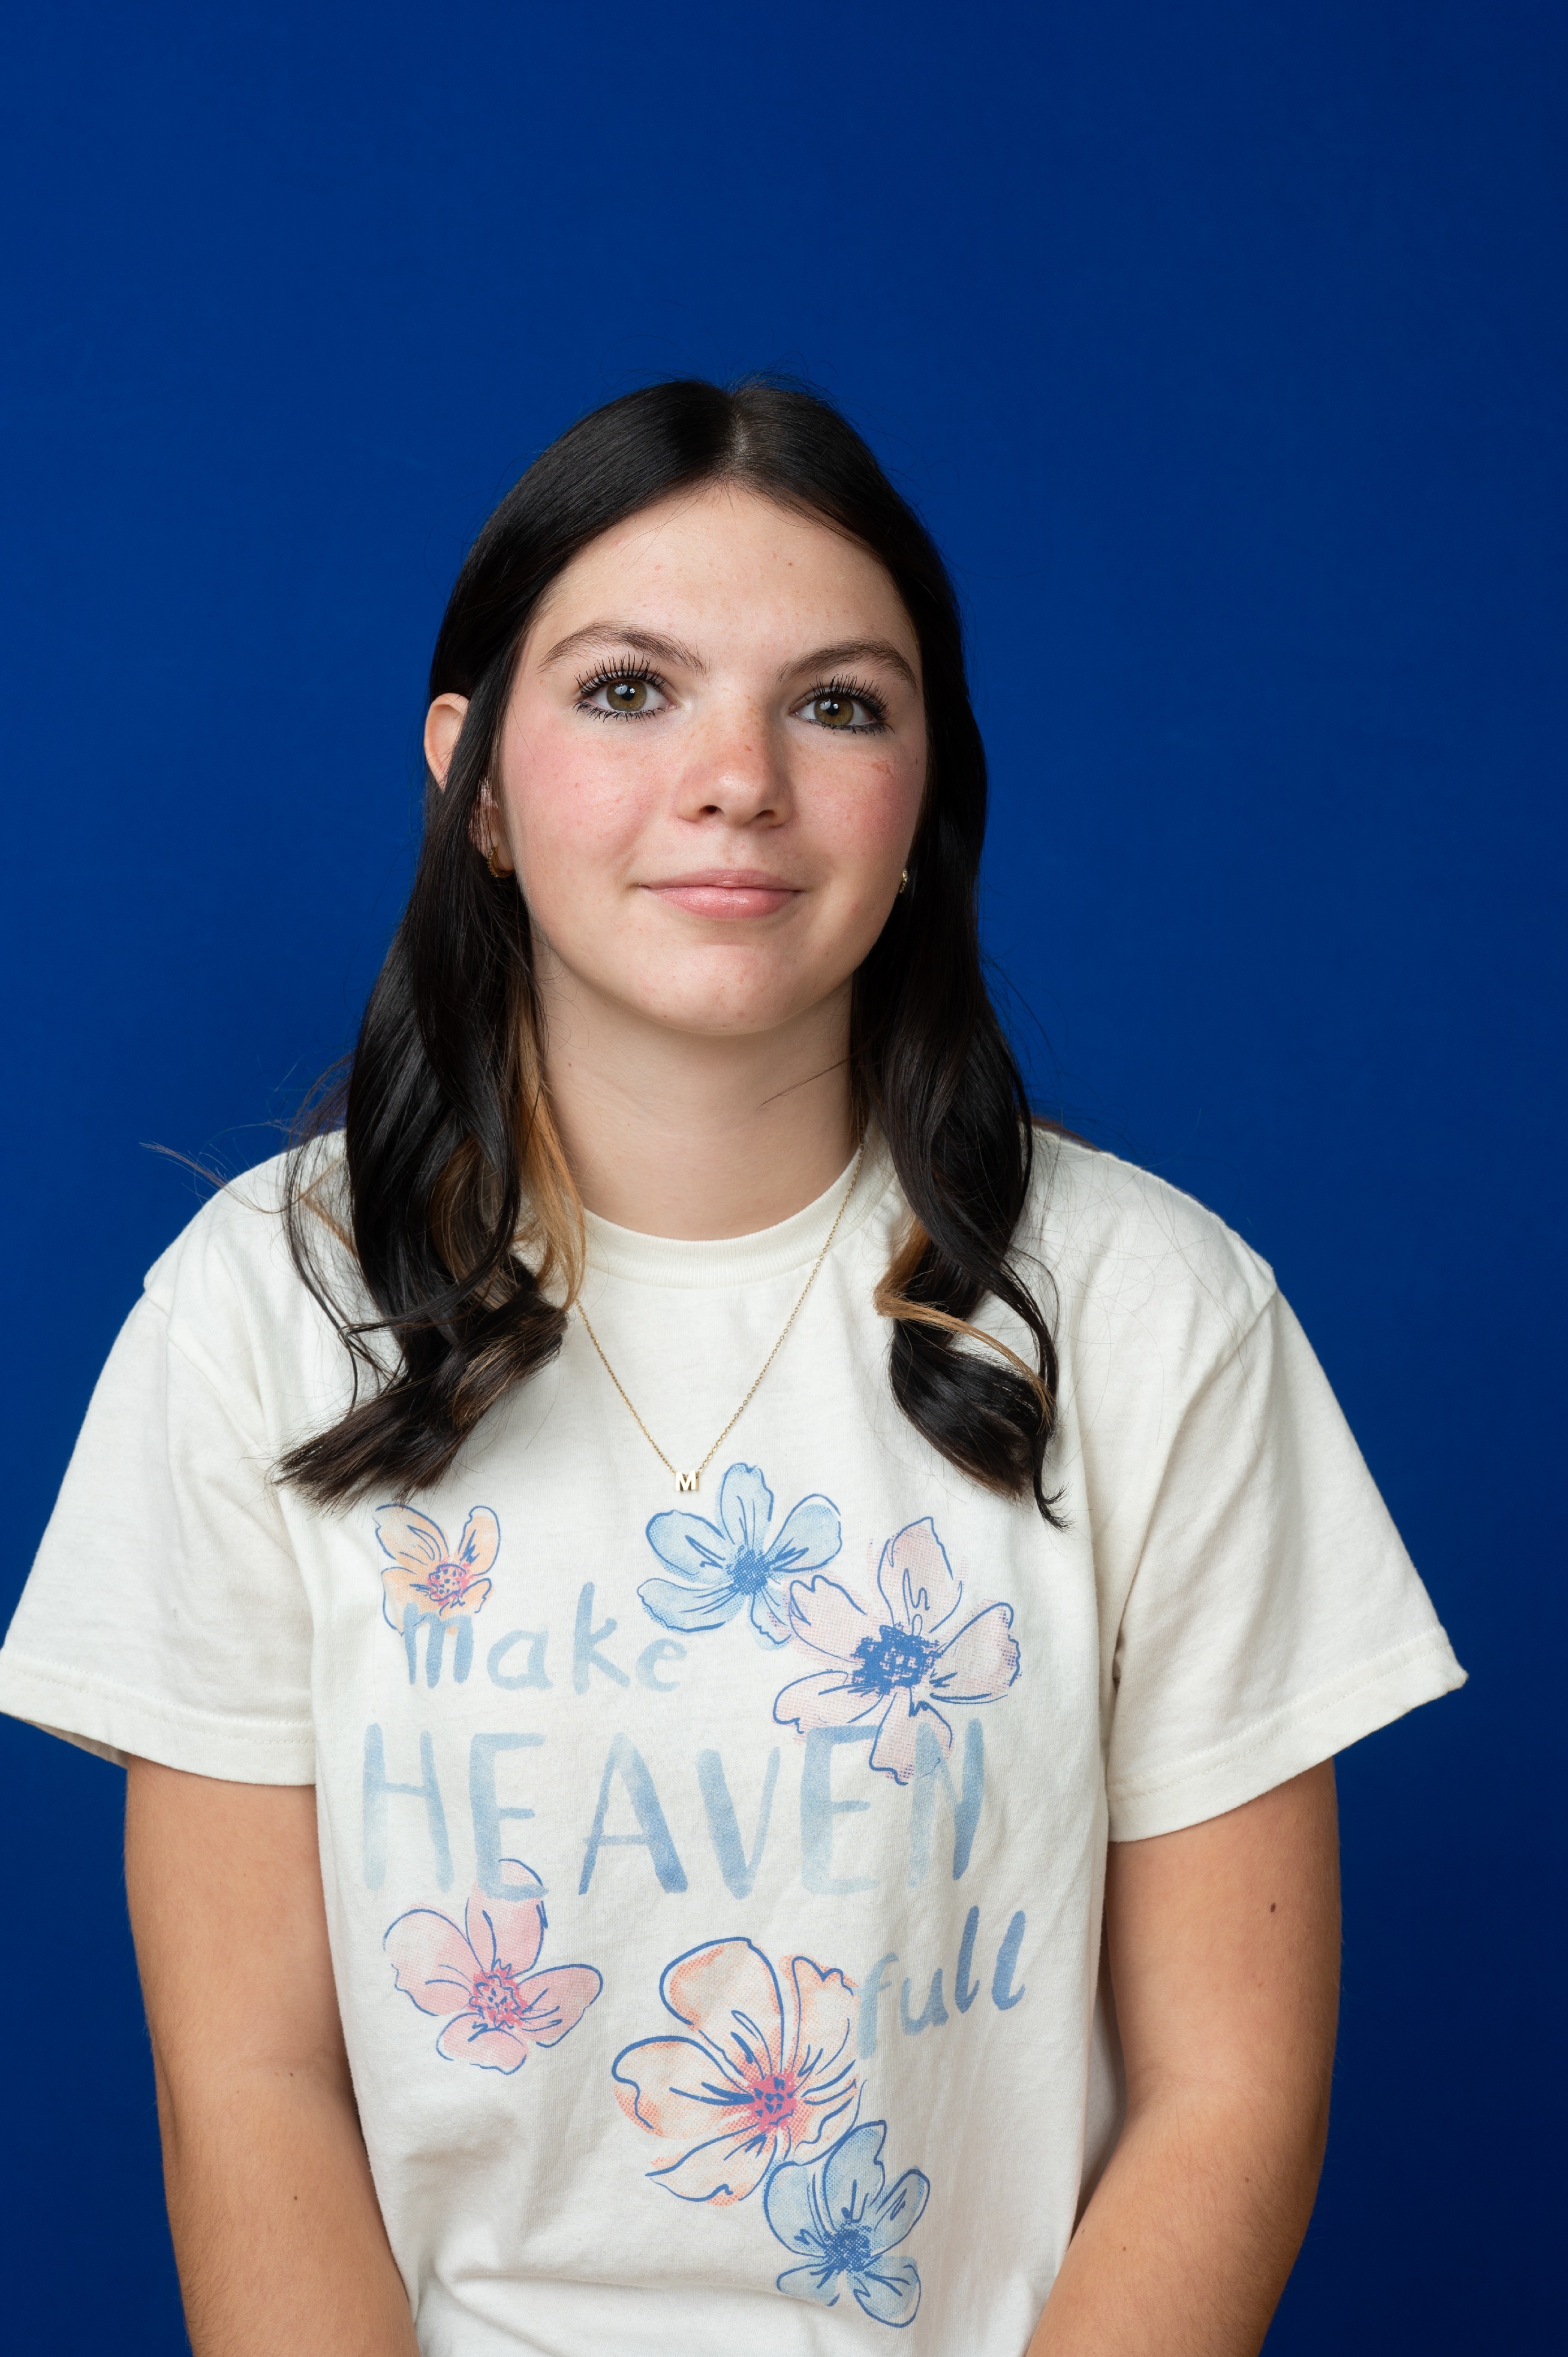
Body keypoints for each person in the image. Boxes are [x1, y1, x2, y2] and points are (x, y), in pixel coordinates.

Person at [0, 378, 1464, 2357]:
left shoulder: (1158, 1315)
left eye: (837, 704)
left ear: (925, 793)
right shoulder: (263, 1308)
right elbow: (248, 2086)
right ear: (475, 784)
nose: (738, 780)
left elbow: (1231, 2098)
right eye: (629, 690)